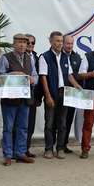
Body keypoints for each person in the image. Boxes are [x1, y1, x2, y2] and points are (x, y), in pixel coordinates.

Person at [39, 31, 82, 159]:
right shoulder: (44, 57)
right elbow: (43, 77)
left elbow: (69, 75)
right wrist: (47, 96)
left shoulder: (65, 57)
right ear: (51, 42)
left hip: (64, 94)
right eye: (57, 41)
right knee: (49, 124)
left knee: (62, 124)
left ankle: (60, 148)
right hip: (52, 94)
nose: (59, 43)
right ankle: (48, 149)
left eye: (61, 41)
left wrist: (76, 85)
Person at [0, 33, 38, 166]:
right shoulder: (5, 58)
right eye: (19, 42)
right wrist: (12, 74)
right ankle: (8, 155)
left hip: (25, 98)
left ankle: (20, 153)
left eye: (24, 42)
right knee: (8, 128)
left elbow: (35, 75)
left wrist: (33, 79)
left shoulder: (29, 58)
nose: (22, 45)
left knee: (23, 127)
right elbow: (0, 76)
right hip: (10, 98)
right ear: (14, 44)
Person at [62, 34, 82, 153]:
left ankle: (64, 144)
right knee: (58, 120)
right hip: (60, 92)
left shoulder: (77, 57)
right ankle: (54, 145)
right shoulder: (58, 56)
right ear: (63, 43)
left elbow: (79, 75)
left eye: (71, 44)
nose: (69, 46)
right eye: (67, 43)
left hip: (72, 94)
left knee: (68, 119)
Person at [25, 33, 42, 158]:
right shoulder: (17, 57)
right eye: (28, 42)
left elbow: (40, 79)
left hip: (34, 96)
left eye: (32, 43)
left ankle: (26, 149)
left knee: (30, 124)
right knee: (19, 125)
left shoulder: (36, 57)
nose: (30, 44)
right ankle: (17, 150)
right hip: (21, 96)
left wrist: (39, 97)